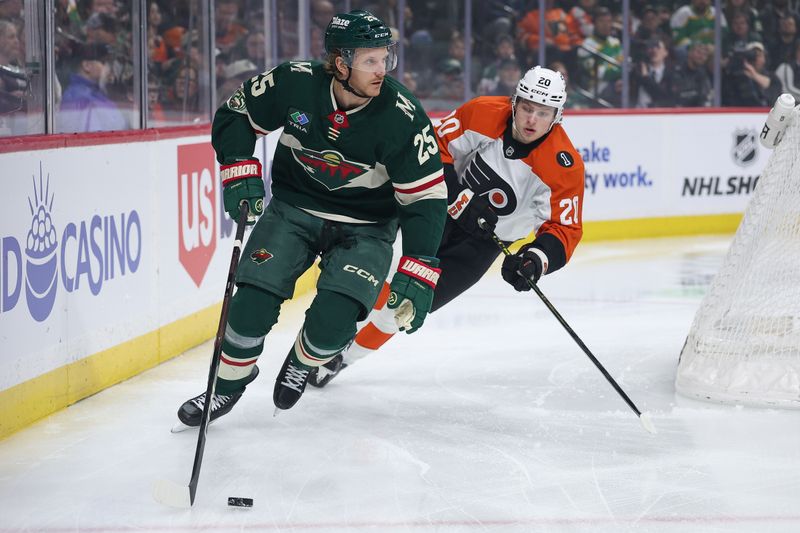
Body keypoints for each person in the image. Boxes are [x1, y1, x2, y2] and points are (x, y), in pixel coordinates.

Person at [175, 10, 446, 426]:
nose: (382, 70)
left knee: (332, 326)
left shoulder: (403, 117)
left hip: (367, 229)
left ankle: (305, 359)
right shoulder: (294, 82)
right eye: (370, 60)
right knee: (249, 305)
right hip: (293, 209)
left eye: (385, 59)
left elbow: (426, 199)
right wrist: (238, 169)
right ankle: (226, 385)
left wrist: (421, 263)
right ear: (340, 63)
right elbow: (236, 115)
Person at [308, 66, 585, 388]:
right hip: (435, 211)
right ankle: (323, 336)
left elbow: (565, 228)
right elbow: (434, 148)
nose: (531, 120)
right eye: (526, 108)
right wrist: (459, 194)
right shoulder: (482, 112)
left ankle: (341, 358)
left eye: (543, 113)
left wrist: (535, 259)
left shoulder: (564, 167)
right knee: (375, 279)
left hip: (481, 246)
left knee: (406, 308)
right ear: (514, 102)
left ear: (558, 116)